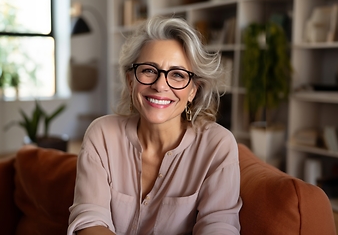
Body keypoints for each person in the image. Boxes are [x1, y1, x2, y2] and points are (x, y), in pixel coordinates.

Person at [68, 16, 242, 235]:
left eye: (178, 75)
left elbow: (219, 227)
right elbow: (89, 219)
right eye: (149, 70)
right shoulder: (102, 134)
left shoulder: (217, 145)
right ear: (131, 81)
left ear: (193, 91)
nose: (160, 85)